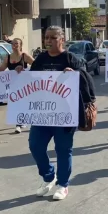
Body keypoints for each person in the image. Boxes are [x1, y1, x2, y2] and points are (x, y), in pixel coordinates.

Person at [22, 26, 83, 200]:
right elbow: (30, 81)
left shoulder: (70, 58)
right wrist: (20, 74)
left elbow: (85, 80)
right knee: (35, 146)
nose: (48, 41)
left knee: (63, 149)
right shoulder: (40, 59)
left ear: (62, 39)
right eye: (46, 38)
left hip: (65, 114)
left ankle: (63, 185)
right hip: (43, 112)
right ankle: (49, 176)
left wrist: (75, 74)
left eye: (52, 38)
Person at [0, 38, 34, 133]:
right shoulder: (8, 57)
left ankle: (21, 122)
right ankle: (19, 123)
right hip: (13, 86)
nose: (14, 46)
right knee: (16, 103)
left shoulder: (24, 56)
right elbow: (2, 68)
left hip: (24, 86)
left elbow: (36, 65)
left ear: (21, 45)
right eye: (13, 44)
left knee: (22, 103)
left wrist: (24, 71)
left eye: (16, 44)